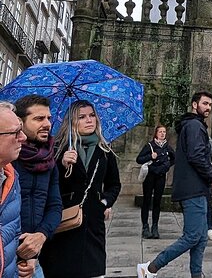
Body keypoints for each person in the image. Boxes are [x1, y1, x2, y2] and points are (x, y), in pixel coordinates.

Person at [137, 91, 212, 278]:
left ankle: (196, 275)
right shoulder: (194, 126)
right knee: (192, 236)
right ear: (194, 104)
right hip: (193, 189)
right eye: (205, 103)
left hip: (196, 188)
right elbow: (197, 156)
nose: (208, 107)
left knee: (200, 239)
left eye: (210, 105)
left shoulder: (193, 126)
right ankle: (151, 267)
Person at [39, 99, 122, 278]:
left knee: (93, 271)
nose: (89, 120)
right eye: (82, 117)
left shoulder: (104, 150)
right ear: (71, 121)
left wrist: (104, 202)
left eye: (92, 115)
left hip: (93, 224)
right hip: (63, 222)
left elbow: (114, 184)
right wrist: (61, 165)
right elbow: (46, 185)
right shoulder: (57, 148)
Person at [13, 95, 63, 278]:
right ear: (20, 122)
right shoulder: (8, 157)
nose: (47, 124)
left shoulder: (49, 160)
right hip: (9, 252)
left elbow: (55, 205)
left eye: (48, 118)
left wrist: (40, 236)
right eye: (39, 119)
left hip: (33, 258)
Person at [0, 102, 26, 278]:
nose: (23, 137)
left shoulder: (11, 176)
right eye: (16, 132)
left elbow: (14, 231)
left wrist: (25, 258)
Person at [136, 125, 175, 239]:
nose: (162, 134)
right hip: (150, 176)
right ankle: (145, 227)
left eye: (164, 132)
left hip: (161, 176)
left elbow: (174, 158)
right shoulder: (150, 145)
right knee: (147, 201)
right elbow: (139, 159)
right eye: (160, 132)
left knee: (157, 202)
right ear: (156, 133)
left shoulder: (167, 147)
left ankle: (155, 227)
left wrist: (167, 165)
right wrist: (150, 156)